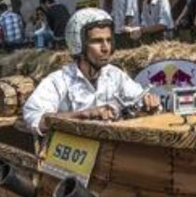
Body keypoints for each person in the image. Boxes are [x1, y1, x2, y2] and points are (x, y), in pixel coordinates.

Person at [22, 8, 160, 136]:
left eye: (108, 40)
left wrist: (148, 106)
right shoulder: (59, 80)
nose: (106, 48)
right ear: (78, 45)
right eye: (97, 41)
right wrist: (83, 115)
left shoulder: (115, 75)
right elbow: (34, 118)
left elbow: (139, 98)